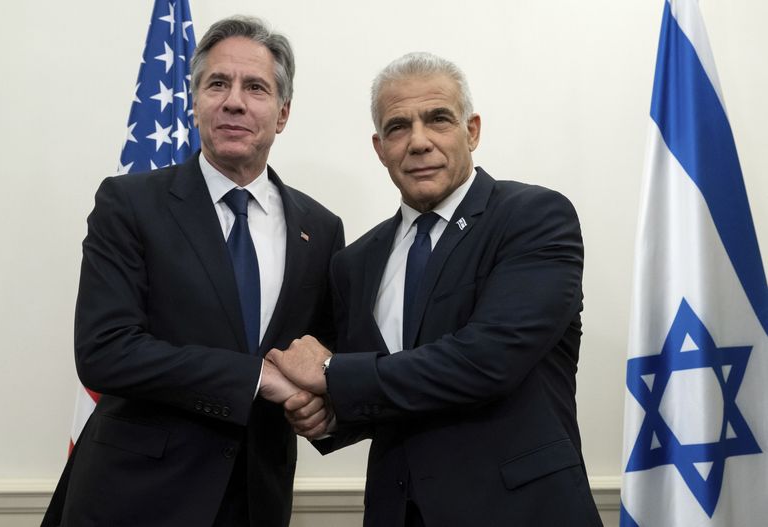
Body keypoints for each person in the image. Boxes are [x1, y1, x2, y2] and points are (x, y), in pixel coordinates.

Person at [268, 52, 602, 527]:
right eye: (399, 126)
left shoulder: (534, 217)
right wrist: (328, 415)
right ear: (379, 146)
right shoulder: (354, 262)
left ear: (472, 131)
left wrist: (329, 372)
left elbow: (487, 360)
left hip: (520, 512)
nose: (419, 142)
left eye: (438, 119)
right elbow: (381, 386)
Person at [42, 16, 343, 527]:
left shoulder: (320, 228)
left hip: (256, 500)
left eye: (255, 87)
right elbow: (104, 350)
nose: (234, 101)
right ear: (194, 101)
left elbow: (319, 358)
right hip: (133, 500)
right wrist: (257, 379)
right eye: (217, 84)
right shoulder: (130, 203)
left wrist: (326, 405)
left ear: (283, 112)